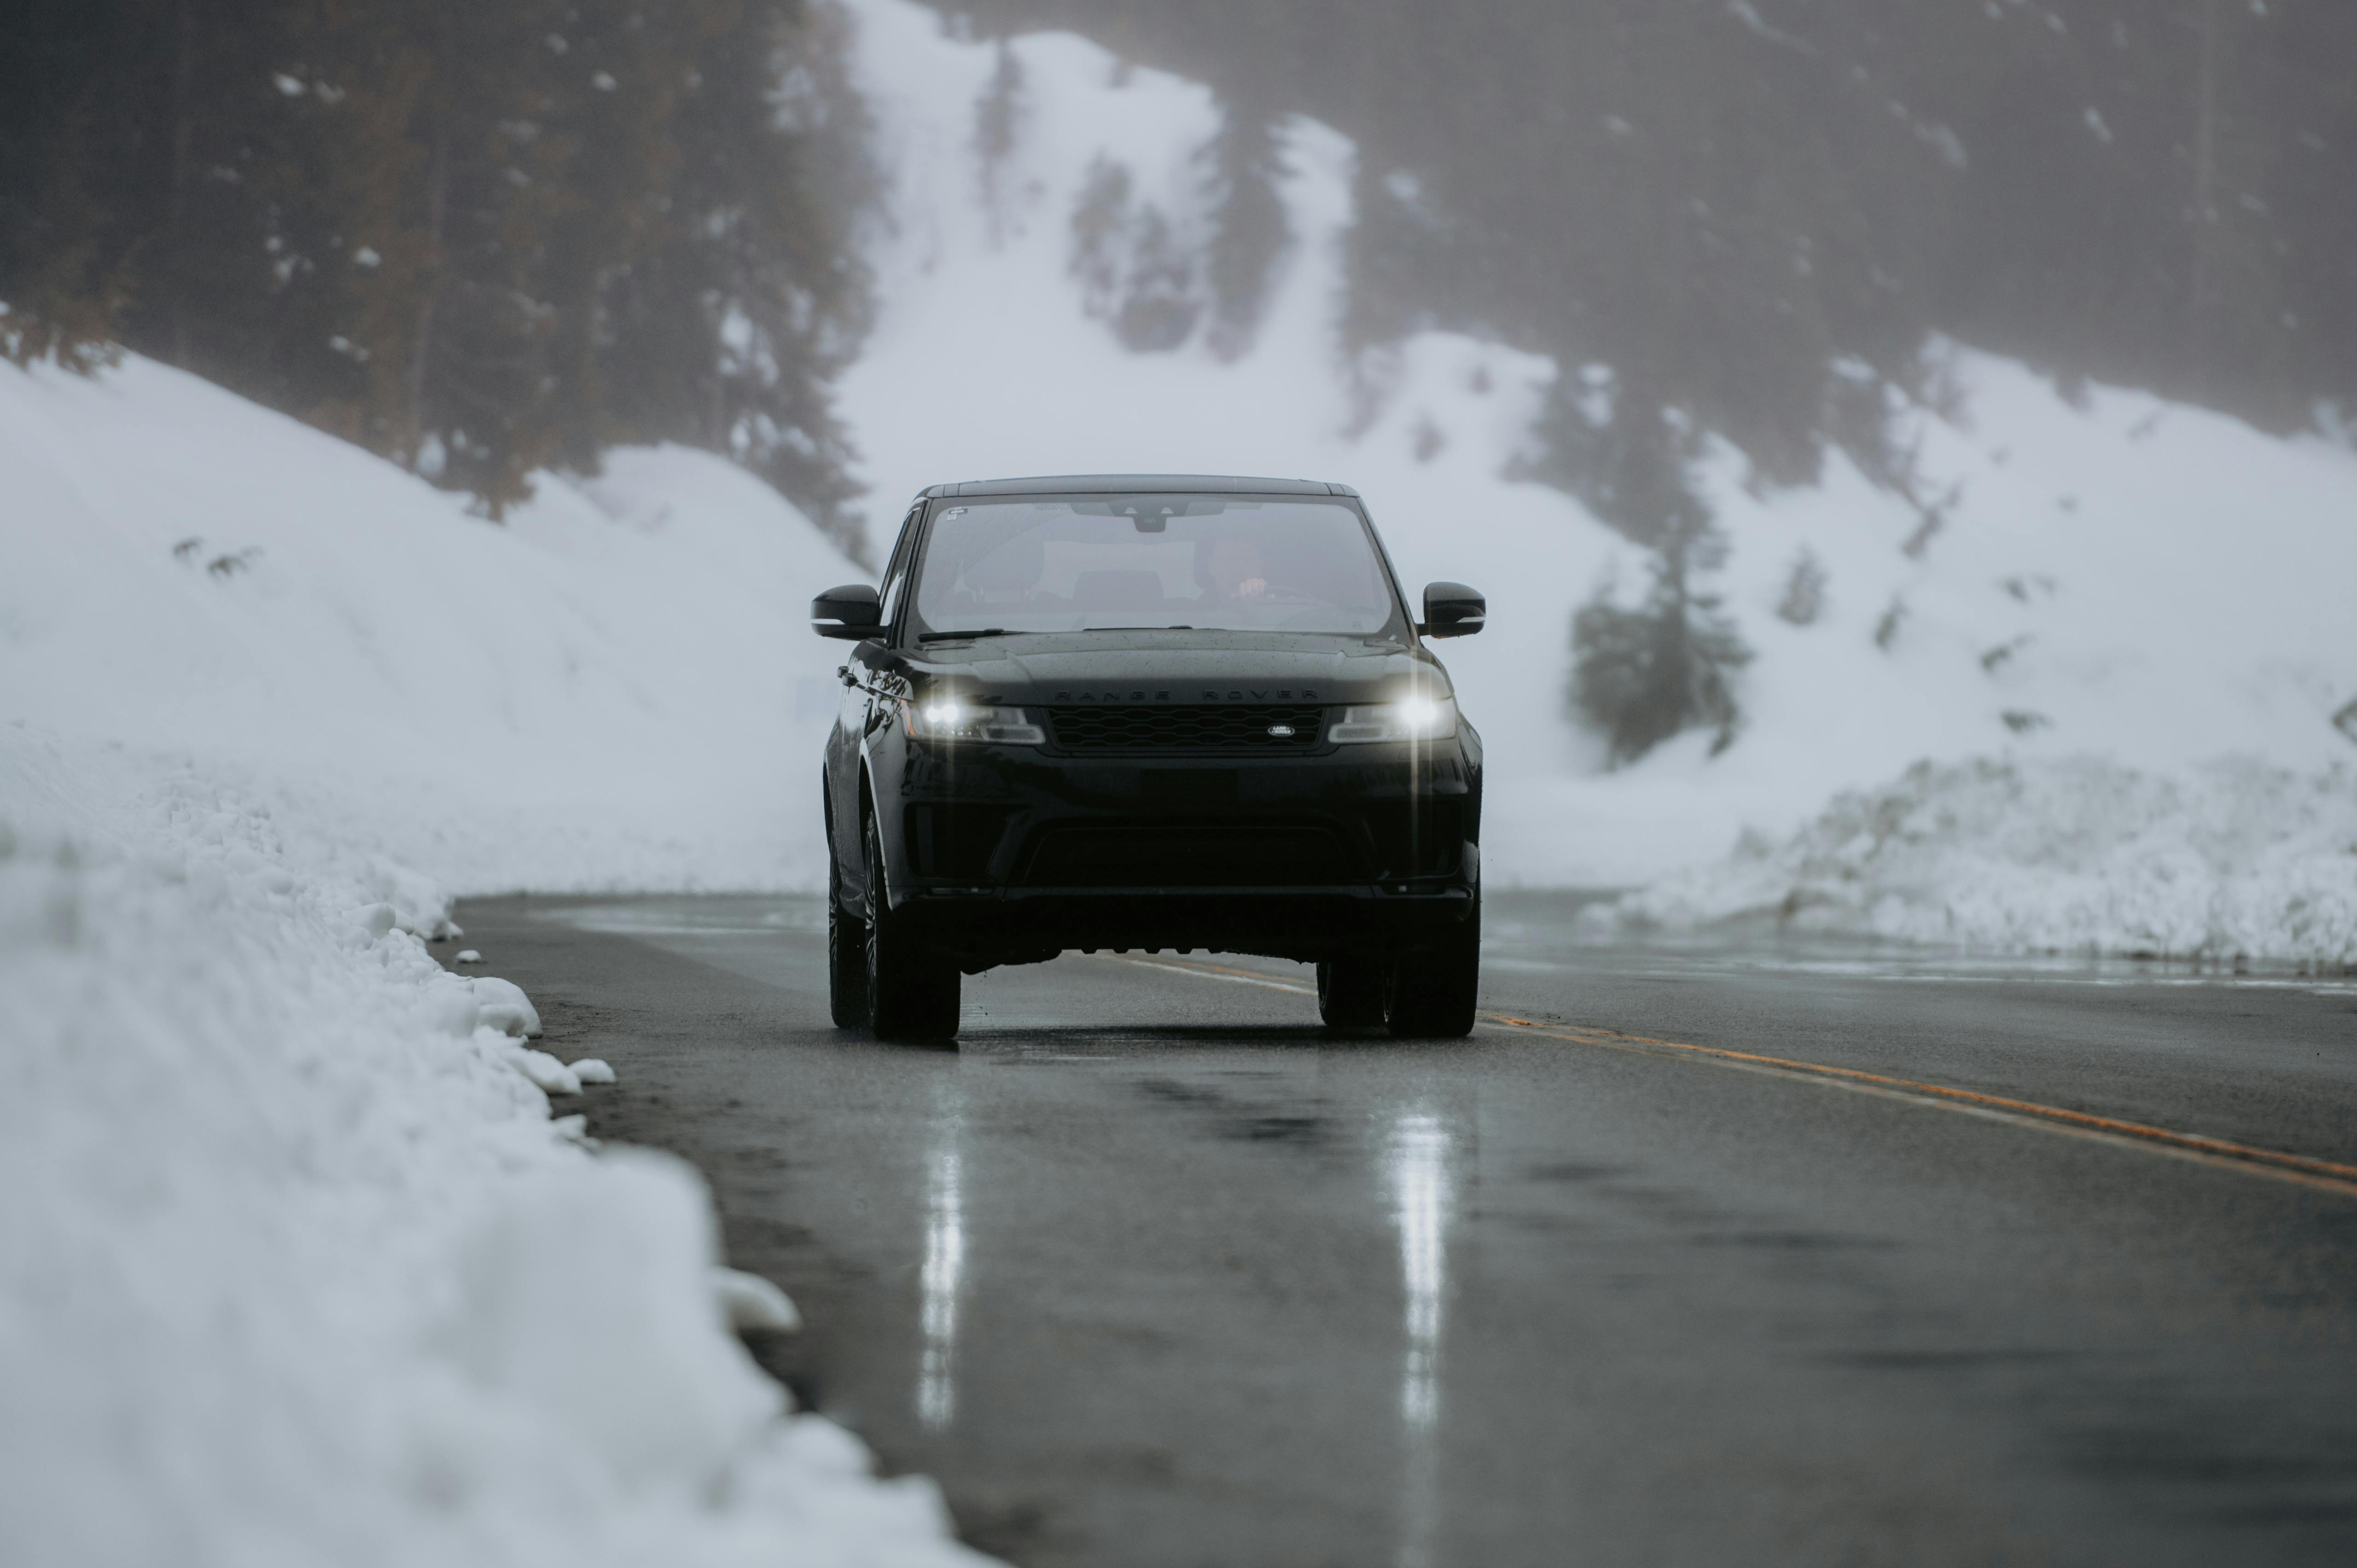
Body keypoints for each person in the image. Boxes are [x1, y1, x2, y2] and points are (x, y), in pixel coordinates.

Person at [1204, 537, 1268, 601]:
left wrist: (1266, 598)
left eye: (1246, 561)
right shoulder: (1200, 607)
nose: (1238, 570)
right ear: (1211, 565)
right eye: (1228, 560)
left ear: (1261, 566)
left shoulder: (1272, 604)